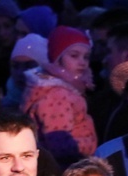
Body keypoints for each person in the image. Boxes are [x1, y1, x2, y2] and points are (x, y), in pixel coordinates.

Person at [20, 25, 97, 166]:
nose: (82, 62)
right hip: (63, 170)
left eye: (86, 57)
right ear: (58, 58)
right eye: (74, 55)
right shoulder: (57, 94)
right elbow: (59, 146)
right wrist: (91, 143)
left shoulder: (66, 89)